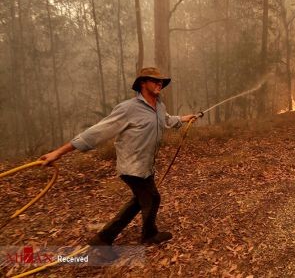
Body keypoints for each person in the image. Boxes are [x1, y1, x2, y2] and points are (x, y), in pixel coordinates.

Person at [40, 67, 197, 260]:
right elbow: (96, 132)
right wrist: (59, 152)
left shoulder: (159, 105)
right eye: (155, 81)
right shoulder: (128, 108)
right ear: (142, 83)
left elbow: (164, 120)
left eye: (162, 82)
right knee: (152, 198)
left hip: (146, 165)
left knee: (139, 201)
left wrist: (183, 119)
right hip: (131, 167)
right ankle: (130, 237)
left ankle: (109, 238)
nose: (160, 84)